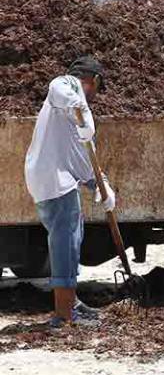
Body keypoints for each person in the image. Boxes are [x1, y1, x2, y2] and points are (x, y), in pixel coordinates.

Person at [24, 57, 113, 328]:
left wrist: (101, 185)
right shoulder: (67, 86)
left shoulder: (76, 115)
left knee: (74, 236)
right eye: (98, 88)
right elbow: (57, 89)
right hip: (54, 180)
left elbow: (83, 158)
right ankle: (64, 316)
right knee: (65, 243)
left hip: (56, 178)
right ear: (94, 80)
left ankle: (71, 303)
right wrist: (80, 109)